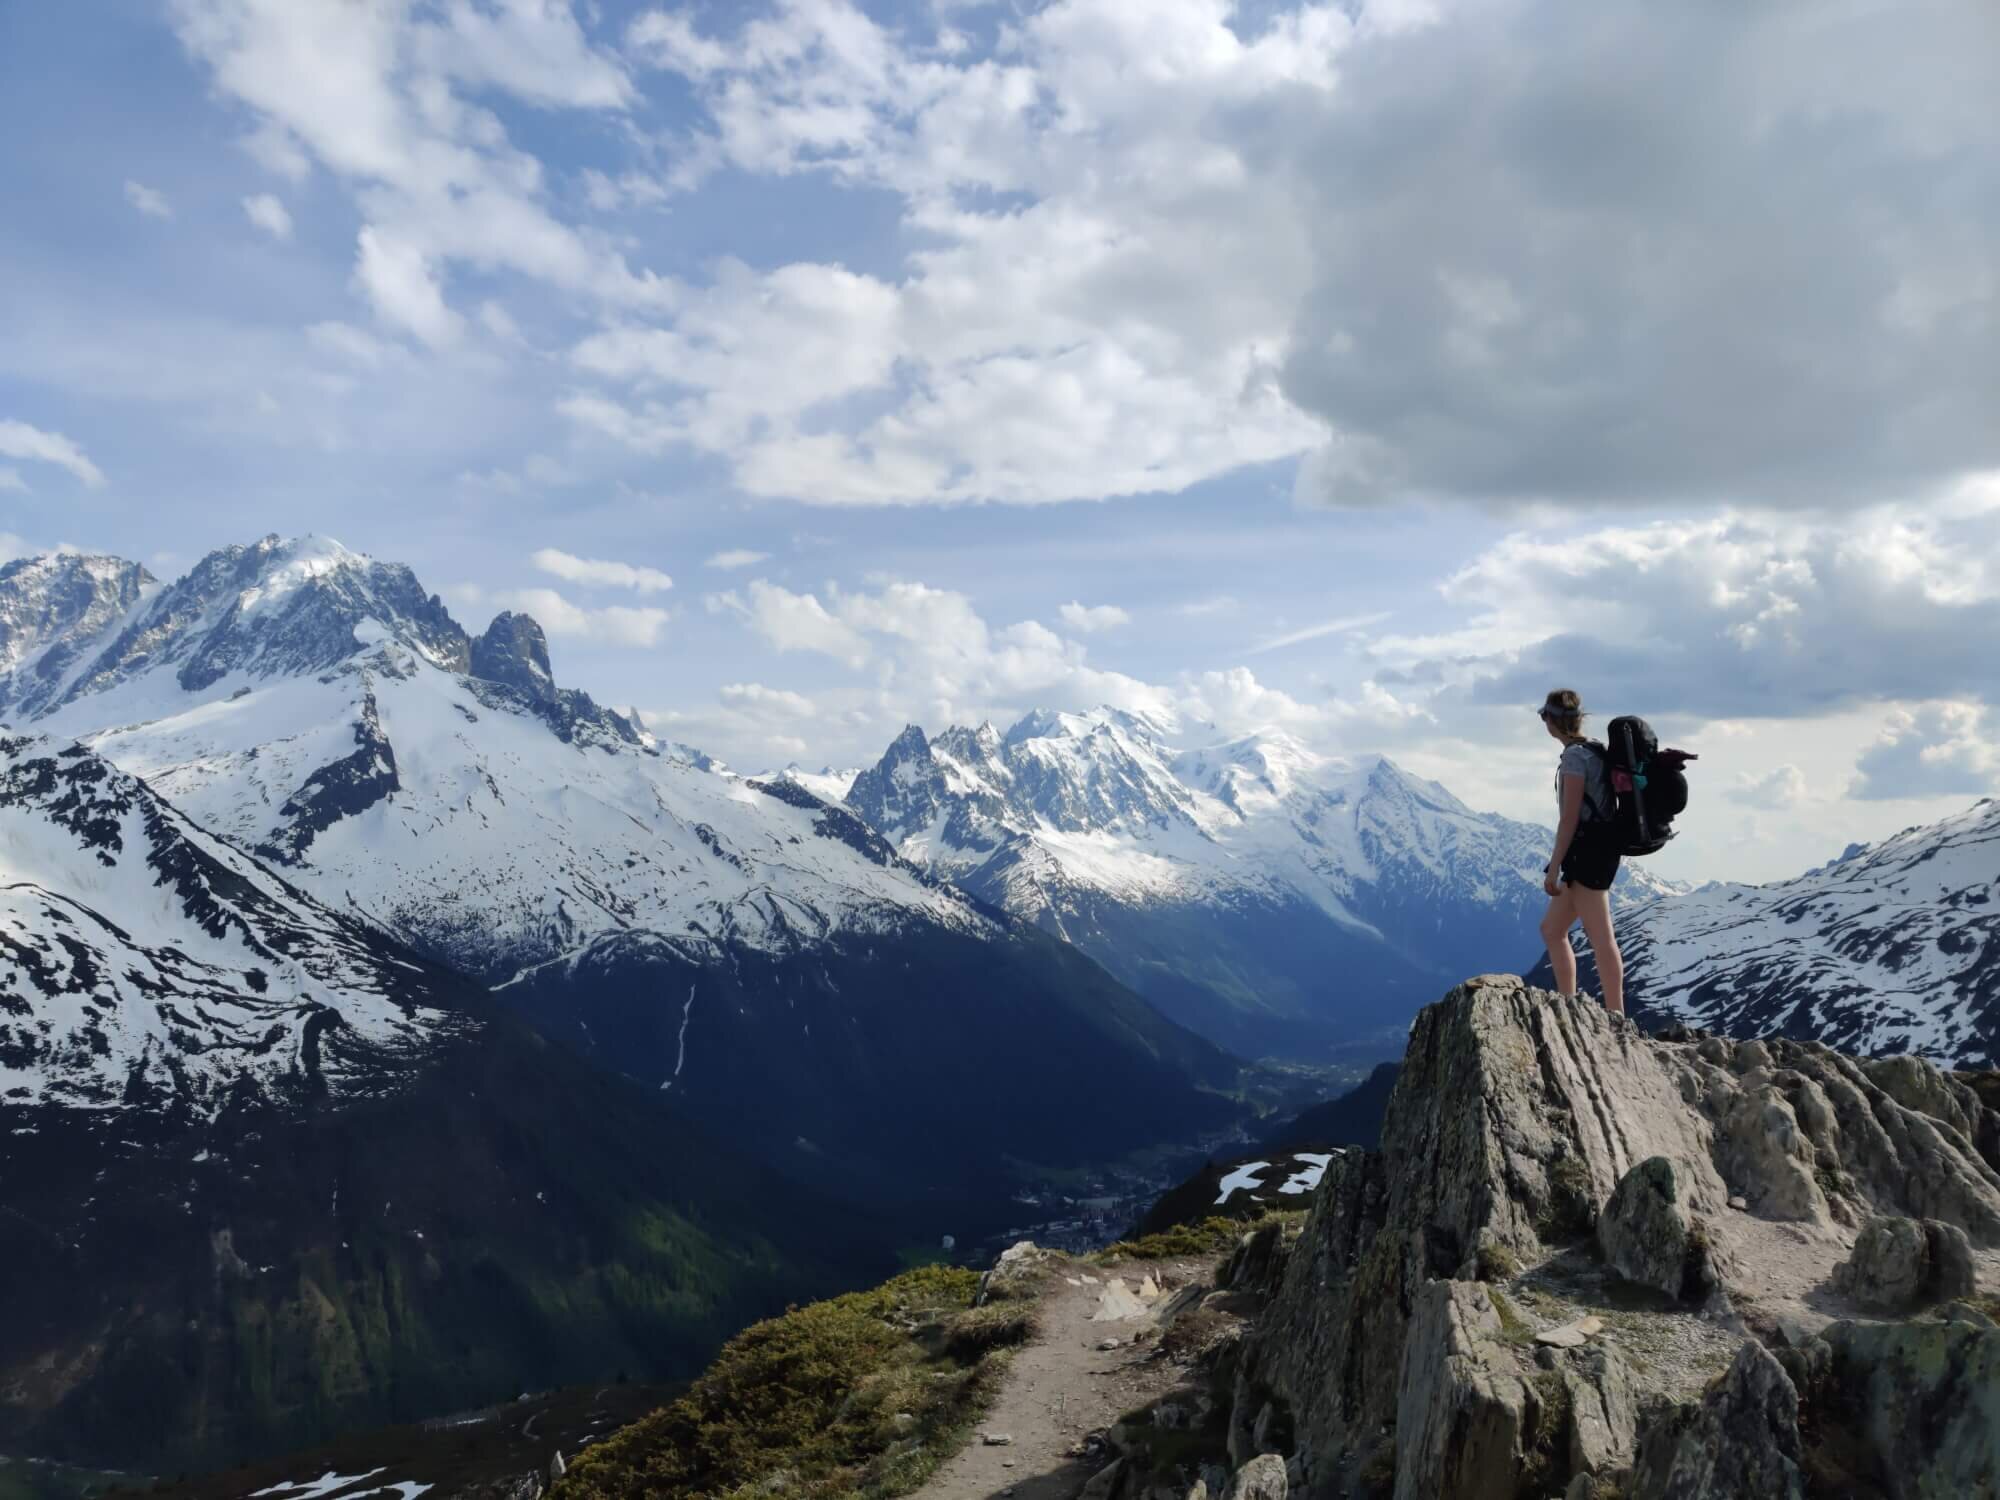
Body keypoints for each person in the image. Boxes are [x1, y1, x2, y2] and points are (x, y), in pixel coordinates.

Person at [1536, 689, 1625, 1015]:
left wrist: (1553, 866)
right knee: (1552, 929)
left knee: (1601, 937)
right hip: (1596, 851)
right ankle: (1568, 1005)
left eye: (1544, 716)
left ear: (1552, 720)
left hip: (1586, 855)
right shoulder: (1596, 751)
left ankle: (1617, 1016)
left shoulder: (1575, 758)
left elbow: (1569, 817)